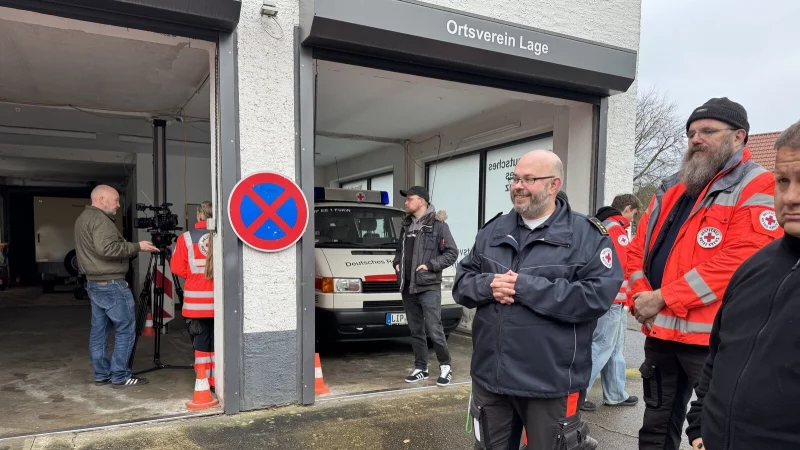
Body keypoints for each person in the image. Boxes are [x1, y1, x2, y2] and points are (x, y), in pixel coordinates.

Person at [627, 98, 783, 450]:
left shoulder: (758, 185)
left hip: (714, 341)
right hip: (661, 333)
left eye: (708, 131)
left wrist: (663, 297)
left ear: (739, 137)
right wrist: (641, 297)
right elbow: (637, 251)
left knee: (716, 429)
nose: (696, 139)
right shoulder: (671, 188)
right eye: (692, 133)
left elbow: (742, 261)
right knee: (654, 427)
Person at [454, 149, 622, 450]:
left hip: (551, 383)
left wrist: (526, 288)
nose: (518, 185)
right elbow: (462, 283)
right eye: (515, 178)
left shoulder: (587, 236)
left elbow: (597, 296)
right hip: (491, 379)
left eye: (529, 179)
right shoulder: (493, 231)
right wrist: (488, 285)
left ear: (553, 185)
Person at [685, 121, 798, 450]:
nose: (790, 197)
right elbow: (719, 354)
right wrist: (699, 425)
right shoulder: (755, 267)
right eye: (782, 181)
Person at [74, 184, 159, 388]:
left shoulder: (83, 219)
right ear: (102, 200)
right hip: (111, 284)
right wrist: (138, 247)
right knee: (126, 330)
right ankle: (120, 375)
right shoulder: (100, 220)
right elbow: (107, 249)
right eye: (116, 201)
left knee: (99, 331)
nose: (118, 205)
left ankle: (102, 374)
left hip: (95, 283)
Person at [581, 193, 642, 412]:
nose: (633, 220)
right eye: (634, 214)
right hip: (613, 300)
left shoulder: (602, 226)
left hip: (607, 299)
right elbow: (624, 265)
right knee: (601, 347)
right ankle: (577, 395)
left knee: (614, 348)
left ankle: (615, 393)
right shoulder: (616, 229)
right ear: (627, 208)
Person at [393, 186, 458, 386]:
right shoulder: (406, 226)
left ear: (421, 201)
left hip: (428, 286)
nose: (406, 203)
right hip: (408, 286)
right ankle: (421, 368)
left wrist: (430, 265)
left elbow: (451, 253)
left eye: (409, 199)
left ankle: (445, 366)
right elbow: (399, 250)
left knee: (434, 328)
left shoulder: (438, 226)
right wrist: (396, 261)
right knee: (415, 330)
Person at [171, 201, 216, 389]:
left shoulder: (186, 238)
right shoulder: (223, 236)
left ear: (199, 216)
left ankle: (204, 380)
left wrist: (195, 275)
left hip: (197, 303)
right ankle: (219, 379)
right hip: (219, 302)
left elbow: (176, 268)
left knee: (201, 340)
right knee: (219, 341)